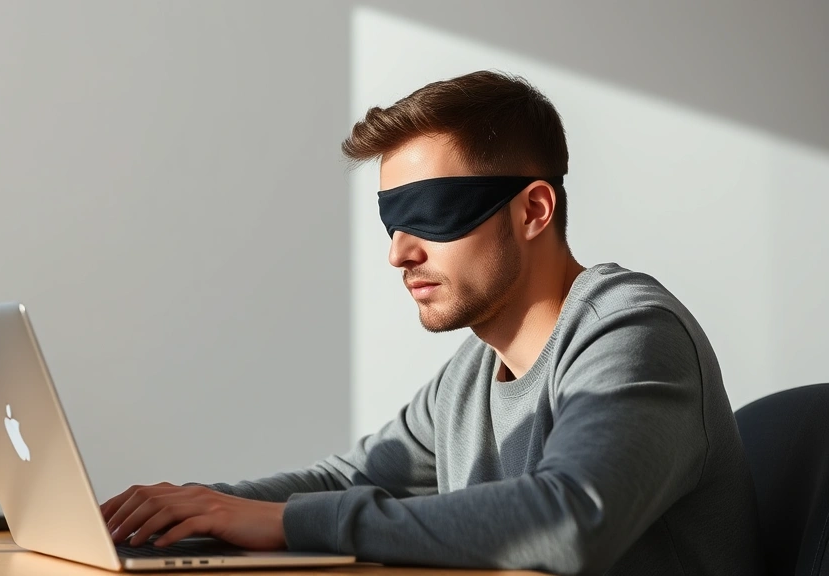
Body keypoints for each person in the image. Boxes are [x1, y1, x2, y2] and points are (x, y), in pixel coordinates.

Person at [100, 70, 762, 575]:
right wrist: (198, 509)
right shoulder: (471, 377)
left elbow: (570, 518)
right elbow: (350, 479)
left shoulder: (632, 334)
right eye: (393, 221)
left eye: (433, 214)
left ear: (533, 211)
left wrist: (286, 522)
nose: (399, 253)